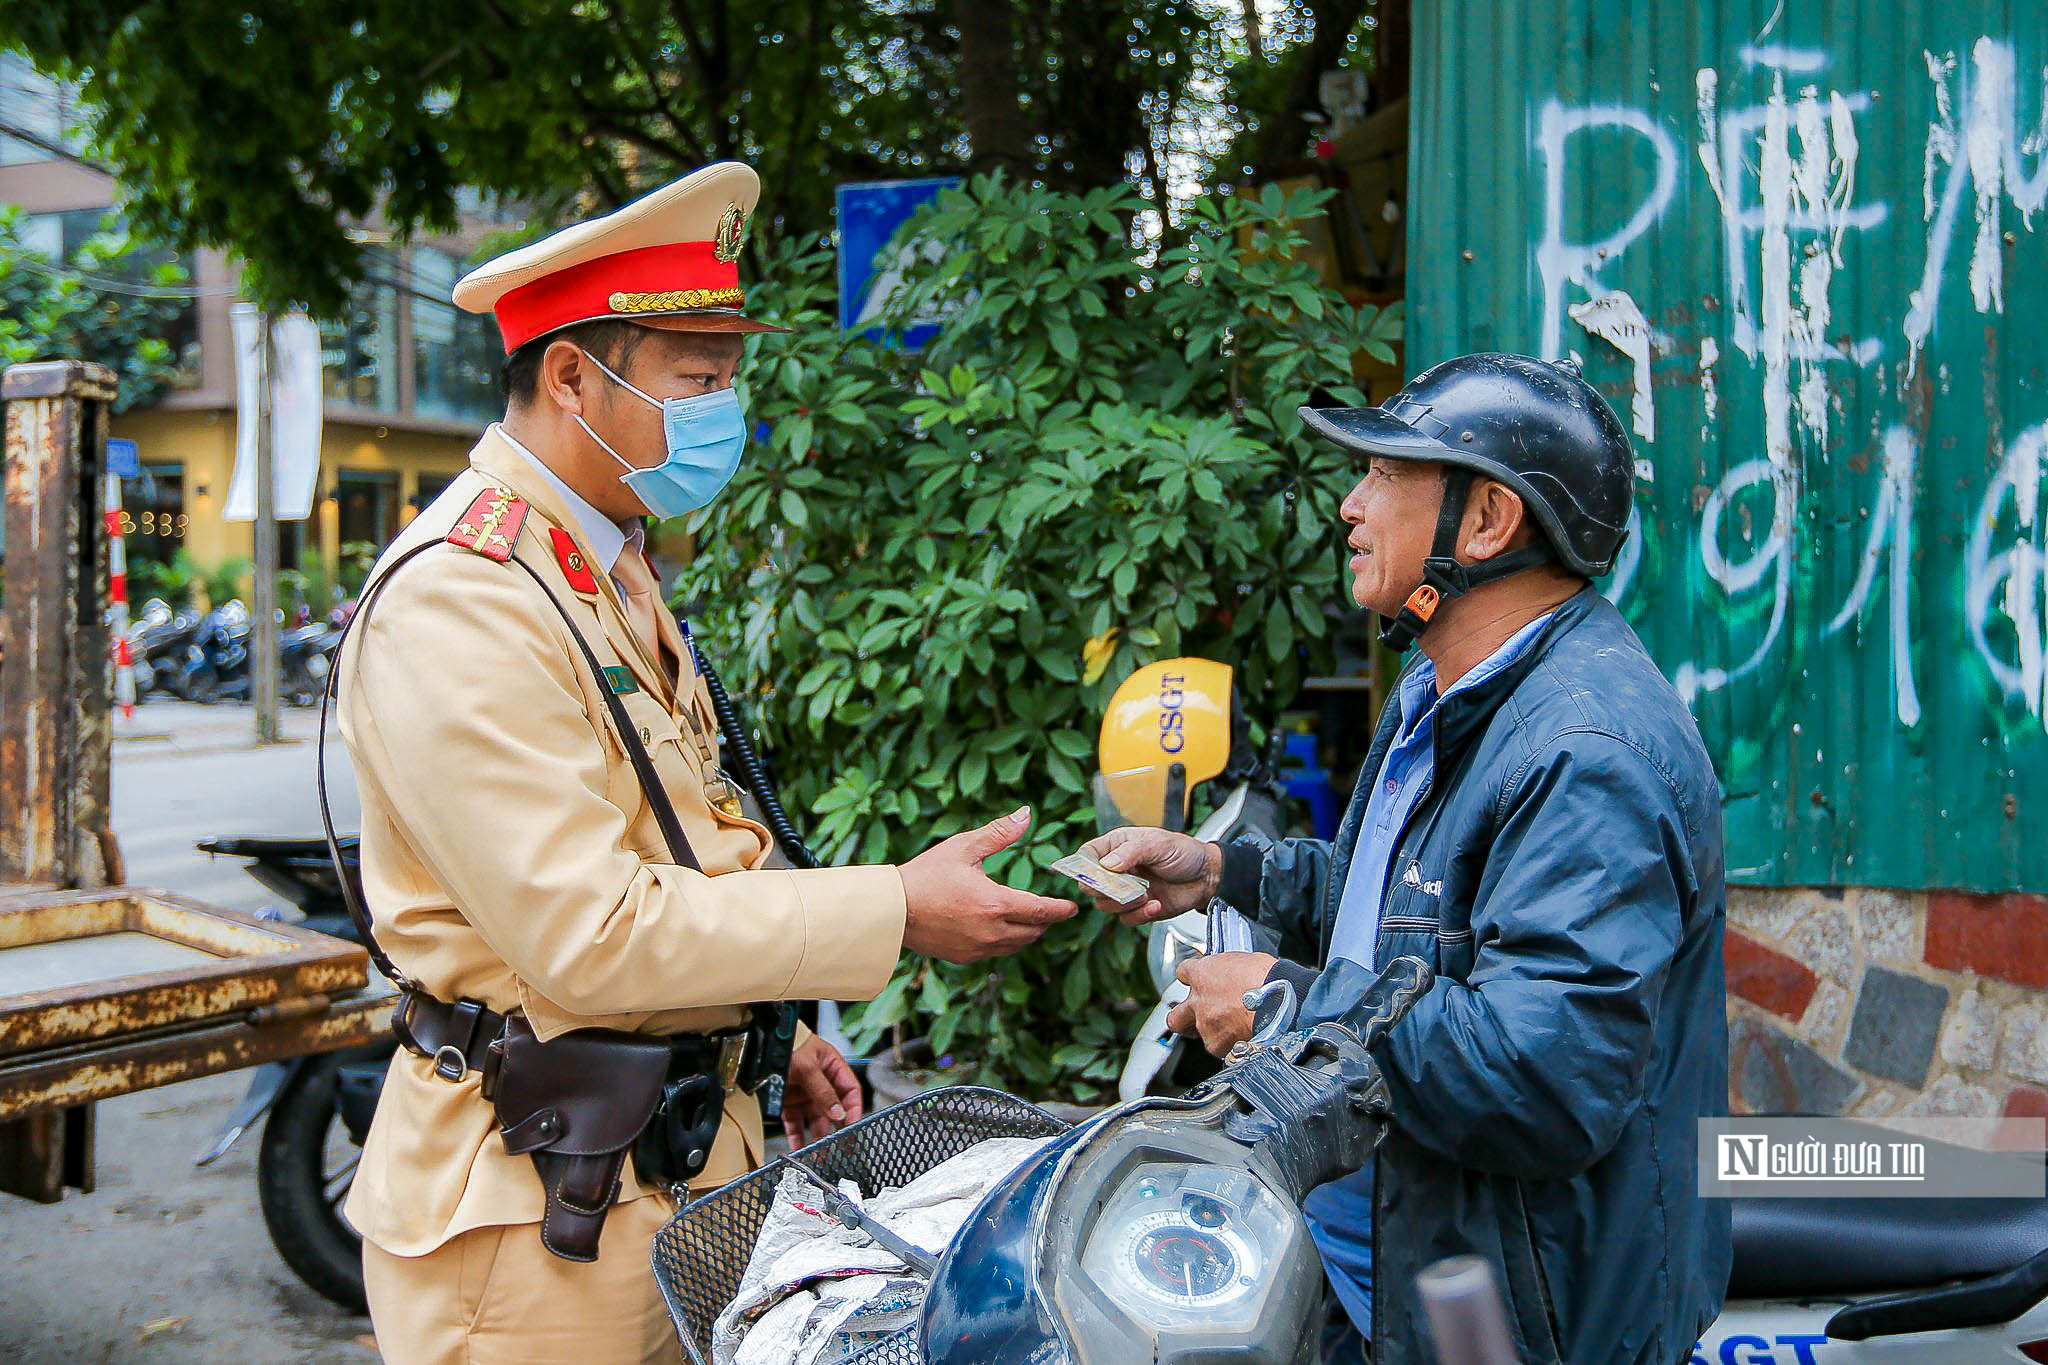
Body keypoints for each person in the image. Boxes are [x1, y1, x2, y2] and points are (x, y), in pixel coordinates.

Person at [331, 162, 1076, 1365]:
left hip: (652, 1164)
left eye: (729, 378)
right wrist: (893, 906)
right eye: (698, 381)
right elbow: (590, 930)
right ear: (571, 377)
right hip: (536, 1214)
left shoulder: (595, 560)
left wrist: (751, 1040)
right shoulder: (464, 598)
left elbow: (681, 836)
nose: (723, 412)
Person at [1081, 354, 1730, 1365]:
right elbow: (1397, 918)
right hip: (1384, 1273)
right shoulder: (1441, 691)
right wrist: (1222, 873)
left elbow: (1543, 1082)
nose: (1349, 504)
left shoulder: (1586, 754)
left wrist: (1284, 1005)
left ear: (1484, 524)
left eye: (1385, 476)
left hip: (1515, 1322)